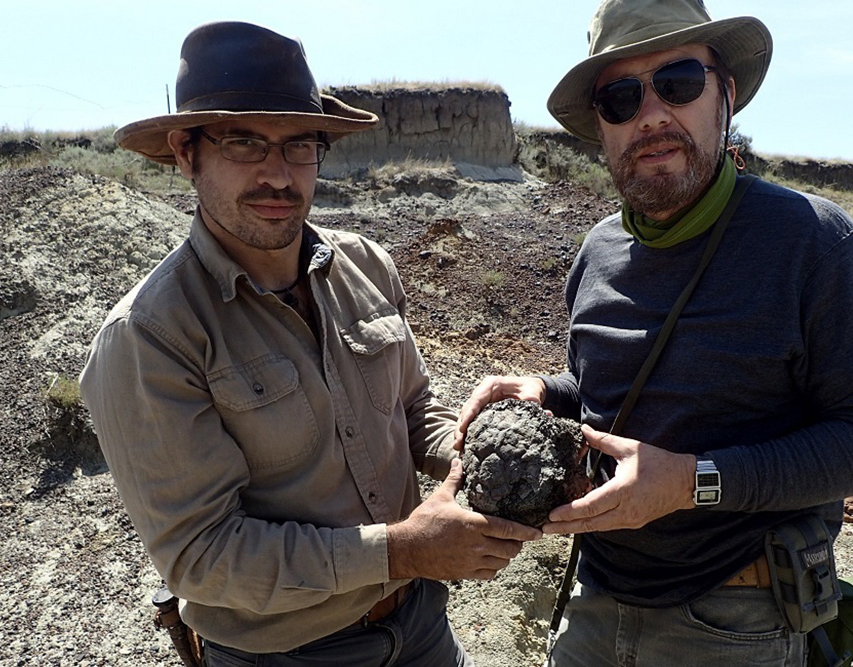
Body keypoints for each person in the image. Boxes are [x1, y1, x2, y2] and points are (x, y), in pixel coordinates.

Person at [456, 0, 853, 665]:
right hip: (590, 605)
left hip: (737, 622)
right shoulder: (597, 253)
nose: (650, 114)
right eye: (619, 97)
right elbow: (604, 397)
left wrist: (694, 480)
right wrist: (546, 393)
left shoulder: (813, 242)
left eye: (677, 81)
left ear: (725, 93)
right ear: (601, 129)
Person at [79, 21, 541, 667]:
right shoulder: (151, 335)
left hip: (421, 623)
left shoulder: (367, 264)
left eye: (300, 145)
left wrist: (500, 443)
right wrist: (402, 548)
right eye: (244, 143)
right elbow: (199, 556)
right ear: (187, 152)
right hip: (284, 653)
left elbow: (412, 415)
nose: (278, 174)